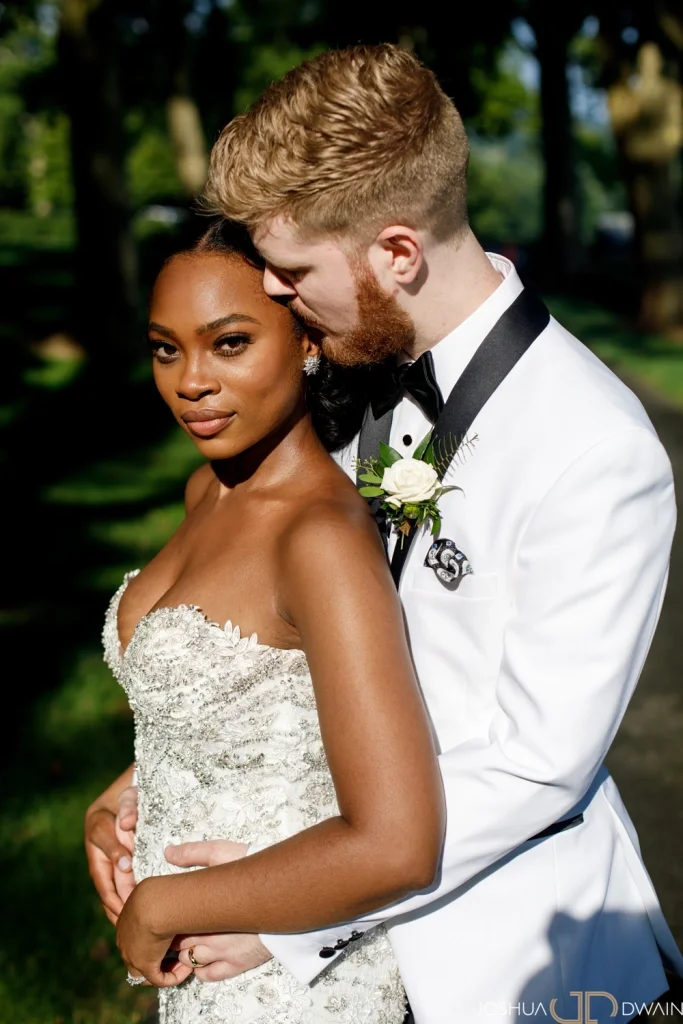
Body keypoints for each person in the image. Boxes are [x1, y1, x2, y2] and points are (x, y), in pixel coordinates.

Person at [87, 44, 683, 1024]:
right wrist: (169, 761)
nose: (274, 298)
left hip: (499, 956)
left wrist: (286, 906)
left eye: (289, 272)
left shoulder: (593, 448)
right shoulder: (346, 363)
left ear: (396, 253)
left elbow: (532, 767)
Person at [89, 217, 445, 1022]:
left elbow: (395, 842)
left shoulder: (319, 537)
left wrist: (161, 906)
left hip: (287, 984)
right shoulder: (206, 490)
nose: (190, 382)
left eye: (229, 343)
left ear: (307, 342)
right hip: (204, 974)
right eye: (165, 348)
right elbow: (245, 709)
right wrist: (118, 801)